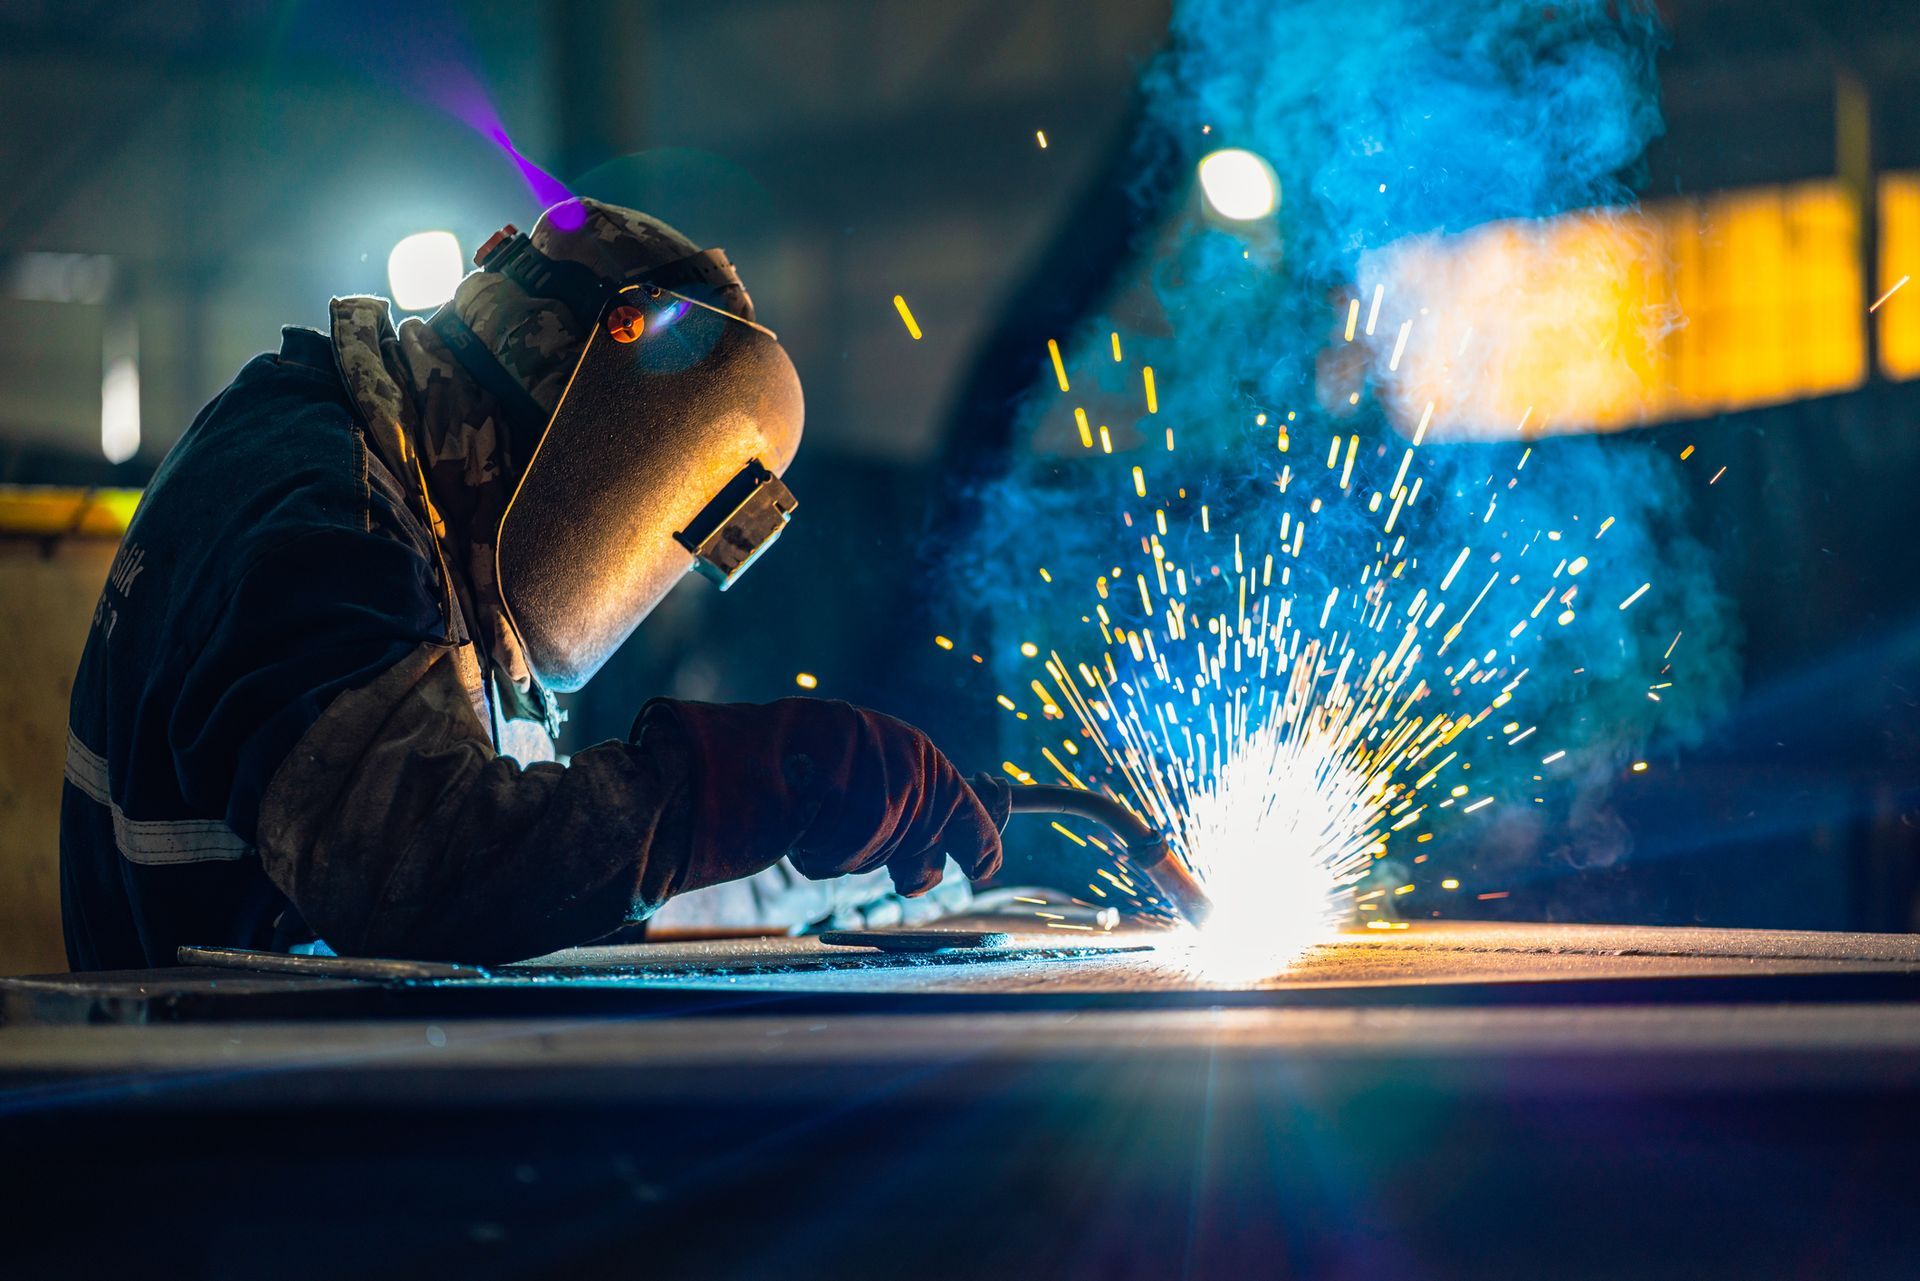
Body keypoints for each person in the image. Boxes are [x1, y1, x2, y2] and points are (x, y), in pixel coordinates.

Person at [59, 197, 1005, 970]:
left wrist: (833, 870)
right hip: (231, 1135)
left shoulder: (408, 499)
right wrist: (728, 781)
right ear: (564, 421)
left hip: (299, 1085)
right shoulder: (324, 518)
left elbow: (542, 856)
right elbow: (421, 865)